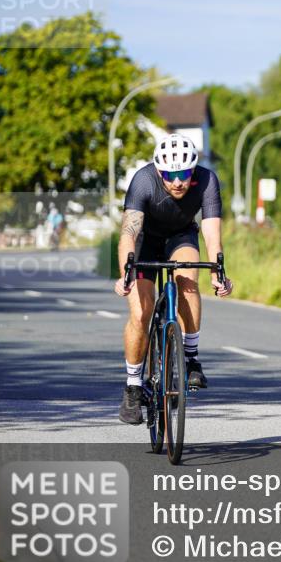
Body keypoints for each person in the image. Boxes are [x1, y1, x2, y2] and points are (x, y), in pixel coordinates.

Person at [113, 133, 233, 425]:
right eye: (170, 175)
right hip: (146, 241)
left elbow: (211, 233)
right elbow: (129, 233)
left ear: (193, 170)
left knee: (188, 283)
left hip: (181, 236)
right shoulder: (143, 181)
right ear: (159, 171)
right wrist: (126, 274)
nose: (178, 182)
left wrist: (218, 271)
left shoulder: (207, 180)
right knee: (140, 313)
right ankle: (133, 387)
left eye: (184, 174)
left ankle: (190, 359)